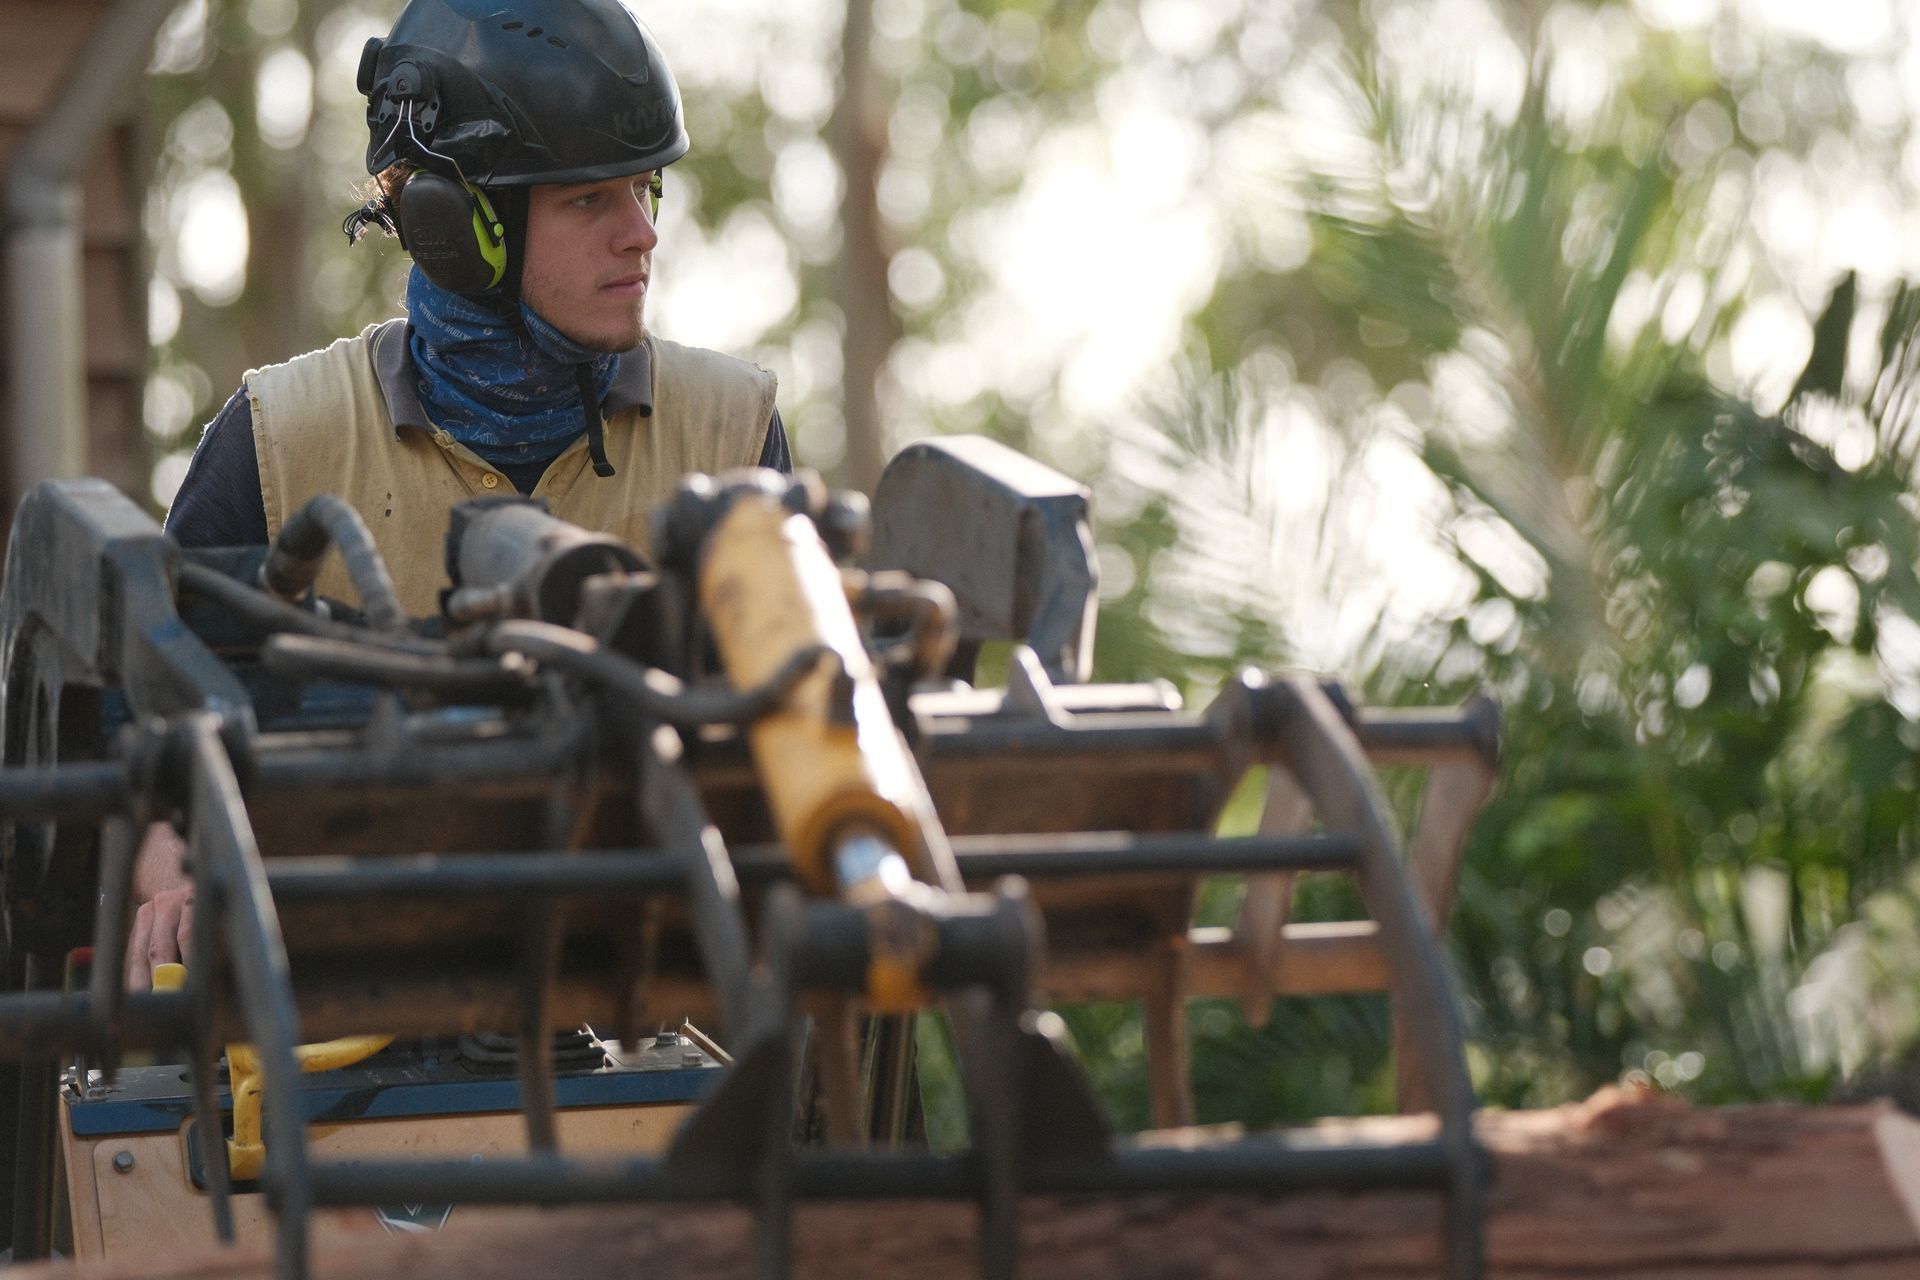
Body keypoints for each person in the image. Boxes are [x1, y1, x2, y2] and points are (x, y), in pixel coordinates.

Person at [128, 0, 790, 990]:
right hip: (347, 1013)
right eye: (588, 200)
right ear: (454, 225)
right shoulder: (278, 437)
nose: (643, 233)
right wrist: (171, 882)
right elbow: (153, 753)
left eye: (646, 189)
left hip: (660, 998)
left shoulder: (733, 433)